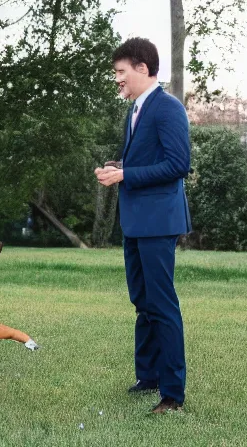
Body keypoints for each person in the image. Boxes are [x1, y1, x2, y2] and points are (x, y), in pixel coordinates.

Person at [94, 37, 191, 414]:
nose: (117, 79)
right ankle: (148, 376)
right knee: (142, 301)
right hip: (135, 222)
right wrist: (119, 168)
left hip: (158, 222)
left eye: (120, 72)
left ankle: (172, 395)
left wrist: (126, 174)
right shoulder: (134, 110)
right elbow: (142, 160)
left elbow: (178, 165)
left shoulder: (168, 108)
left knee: (162, 305)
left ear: (142, 69)